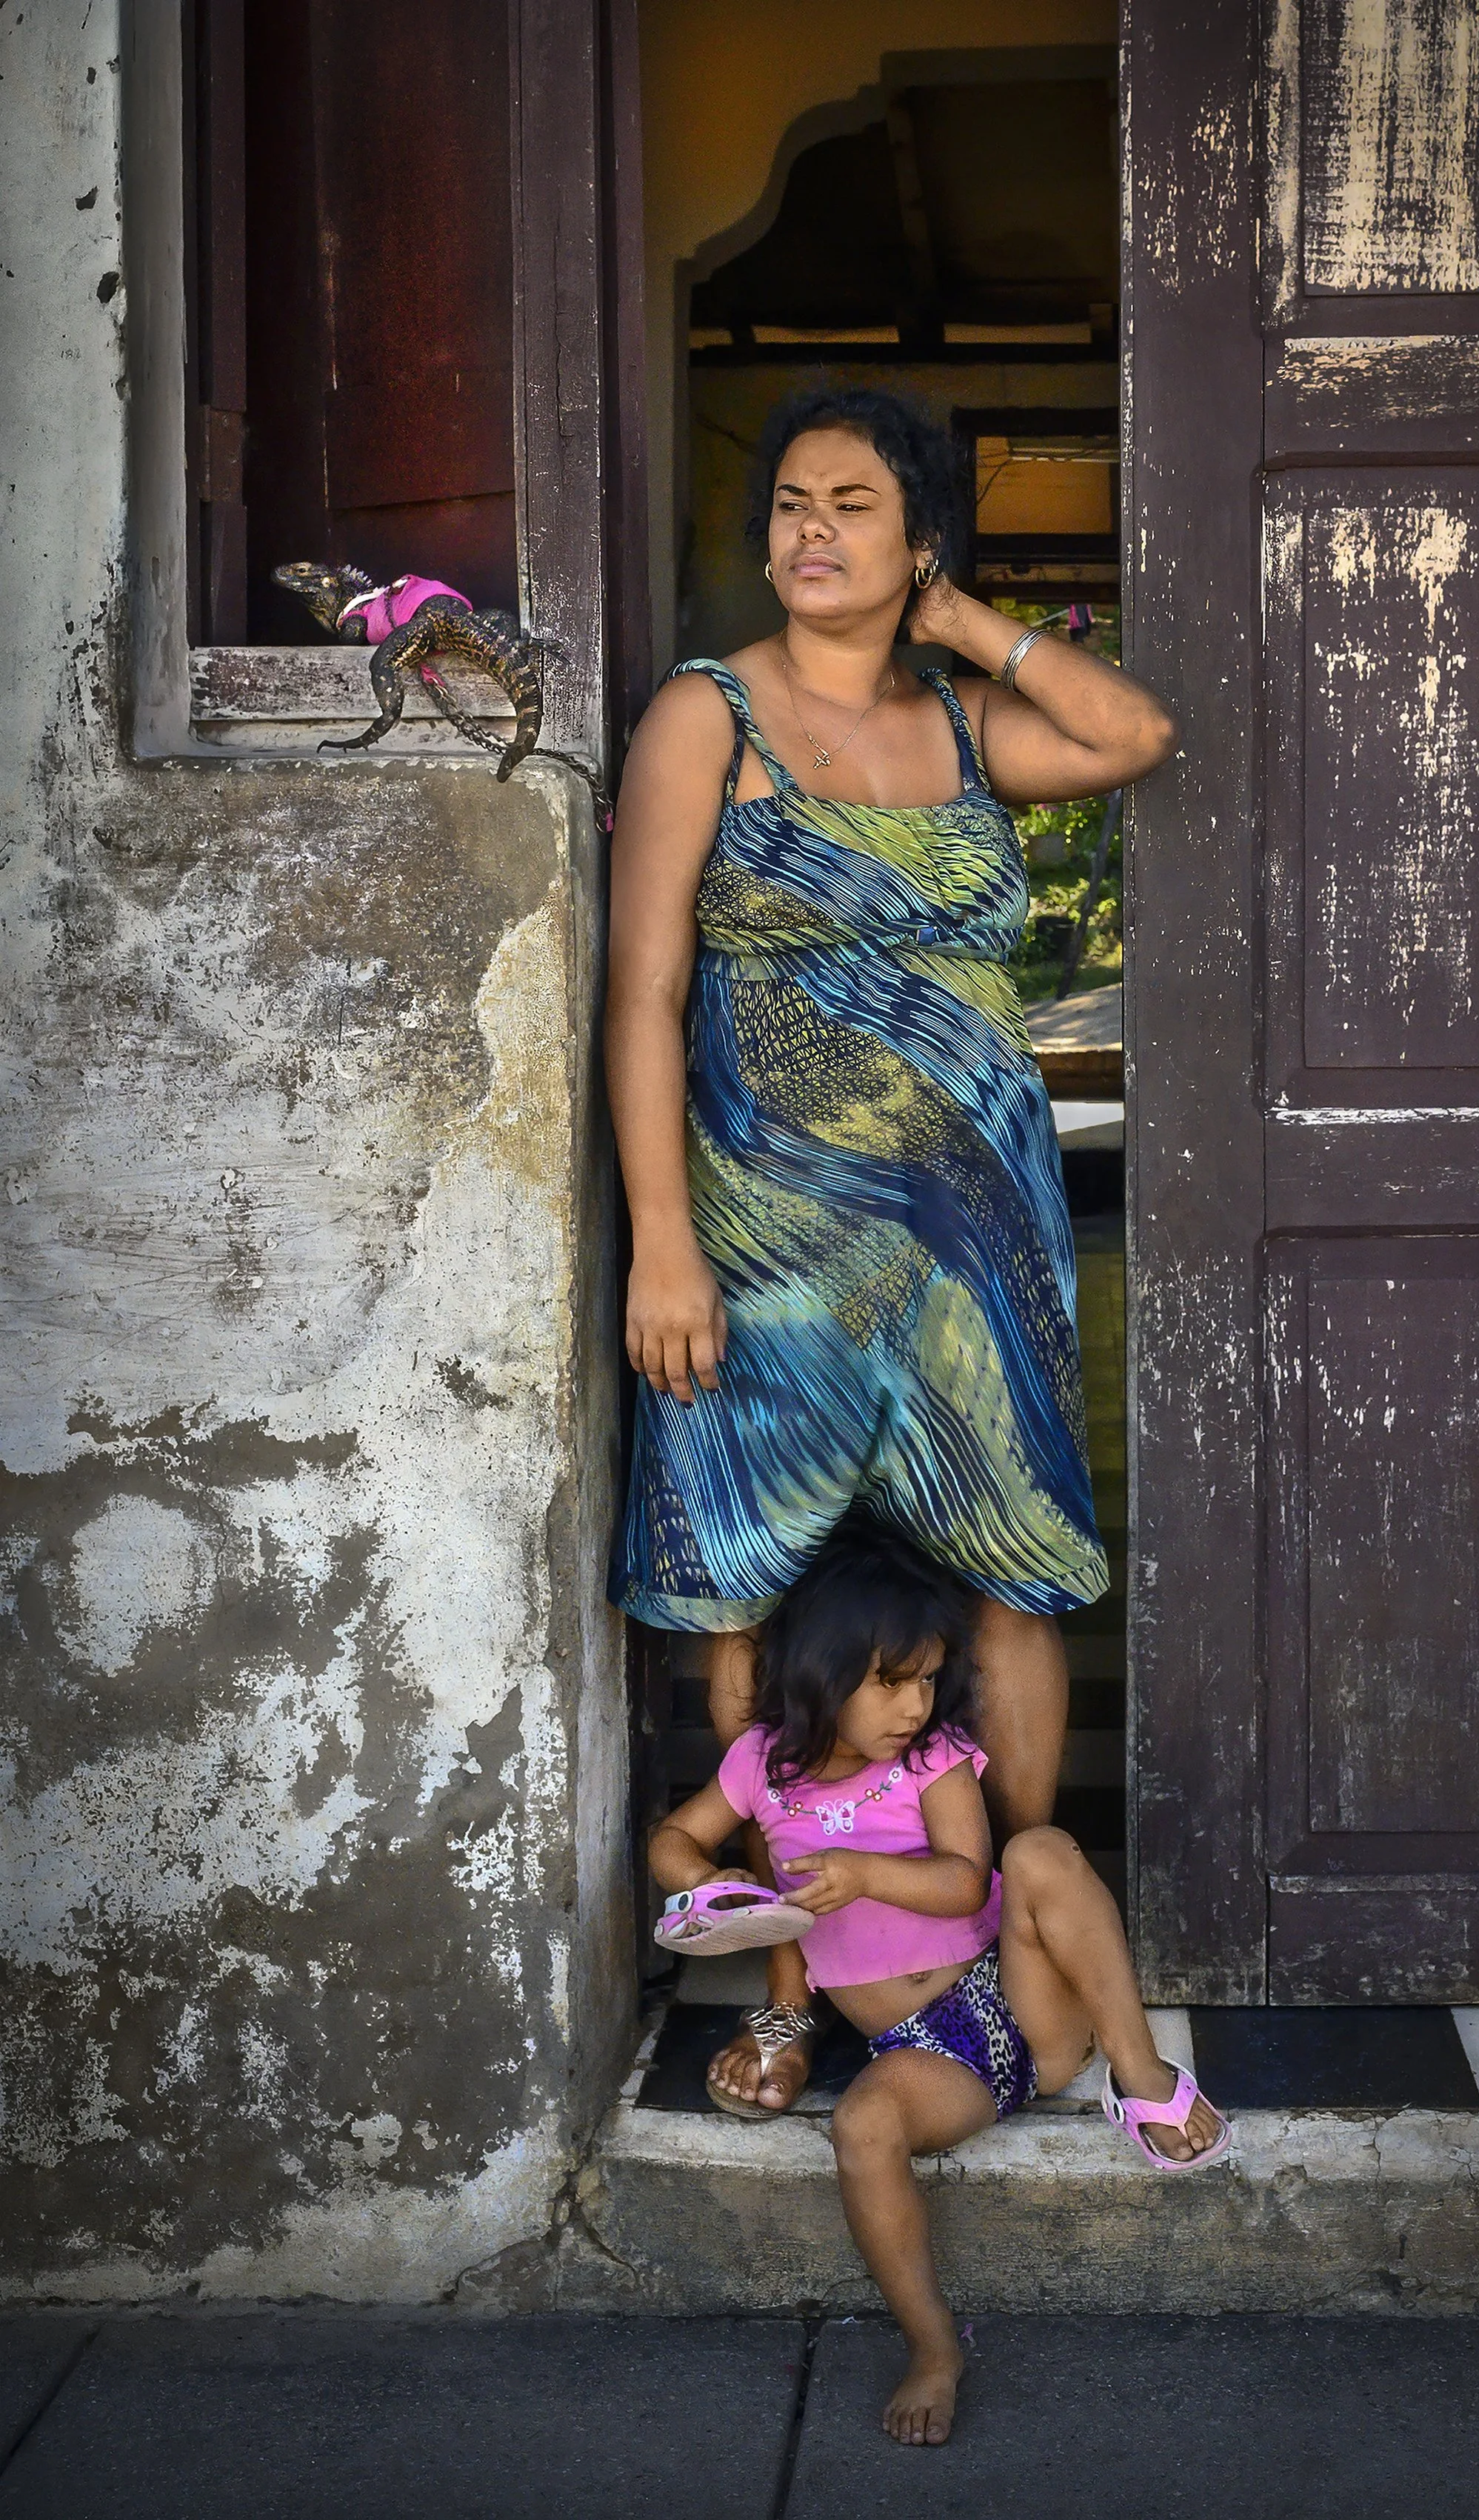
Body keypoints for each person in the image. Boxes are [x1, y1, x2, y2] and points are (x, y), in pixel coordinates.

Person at [606, 384, 1176, 2115]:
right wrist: (659, 1239)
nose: (810, 534)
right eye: (790, 503)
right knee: (747, 1578)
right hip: (764, 1234)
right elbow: (641, 996)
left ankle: (1006, 1926)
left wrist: (966, 621)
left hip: (974, 1242)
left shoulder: (959, 726)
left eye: (854, 504)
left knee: (1012, 1573)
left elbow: (1131, 731)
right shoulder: (706, 719)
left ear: (917, 536)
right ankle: (788, 1974)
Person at [647, 1521, 1232, 2448]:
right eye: (891, 1681)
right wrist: (711, 1888)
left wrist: (867, 1875)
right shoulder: (759, 1766)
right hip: (925, 2055)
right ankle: (931, 2348)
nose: (915, 1703)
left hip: (1015, 2001)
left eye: (926, 1678)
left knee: (1039, 1852)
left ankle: (1142, 2077)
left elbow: (967, 1879)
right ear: (820, 1675)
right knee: (860, 2127)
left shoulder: (933, 1760)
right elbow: (673, 1840)